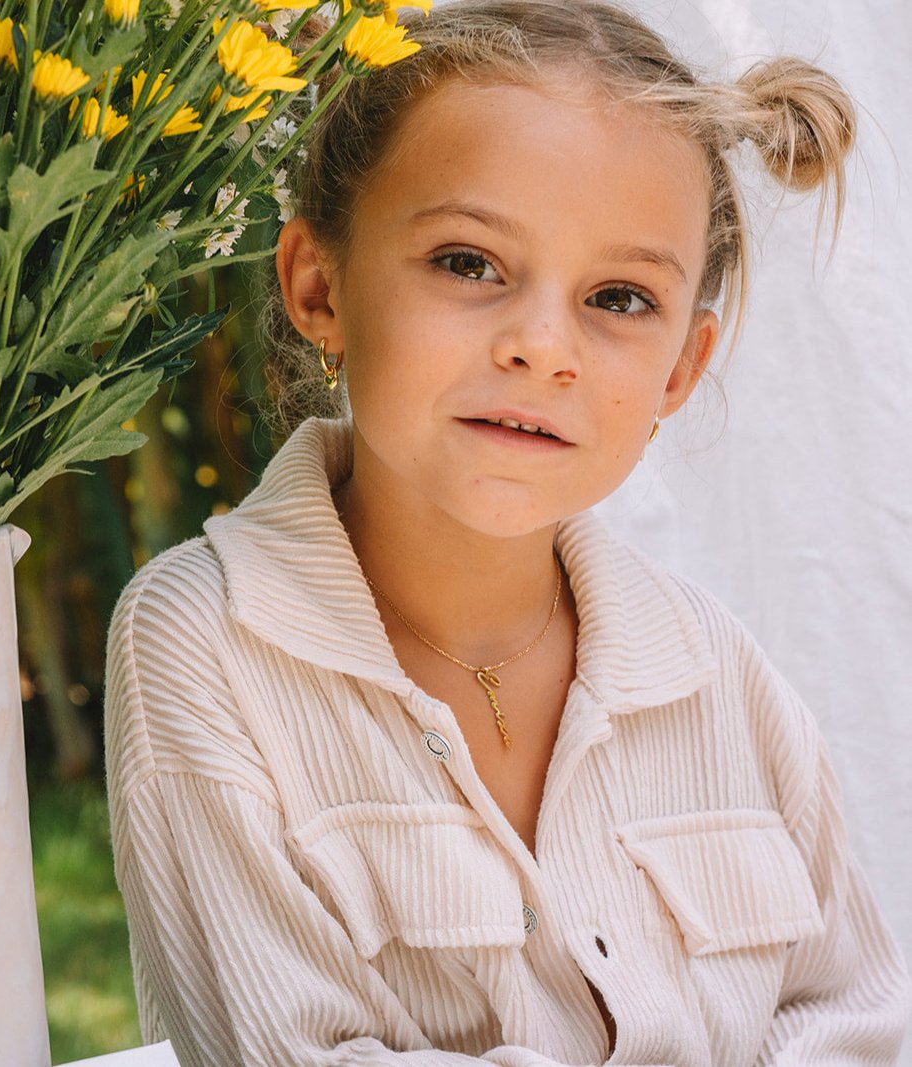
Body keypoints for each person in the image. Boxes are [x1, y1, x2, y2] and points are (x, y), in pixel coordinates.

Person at [103, 1, 911, 1063]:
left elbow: (853, 1021)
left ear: (680, 365)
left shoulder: (717, 669)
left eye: (616, 296)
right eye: (467, 262)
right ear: (317, 284)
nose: (541, 346)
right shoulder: (204, 642)